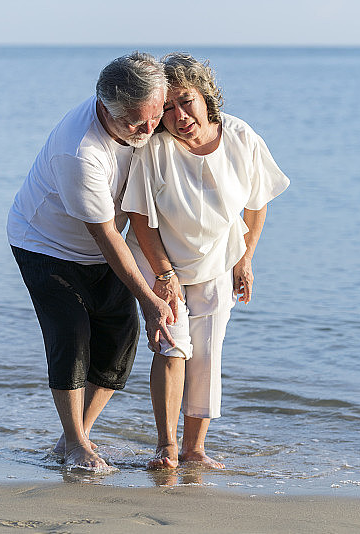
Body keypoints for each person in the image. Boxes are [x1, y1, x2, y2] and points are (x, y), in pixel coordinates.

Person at [7, 52, 177, 472]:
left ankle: (72, 437)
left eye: (154, 116)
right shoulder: (80, 152)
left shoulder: (142, 119)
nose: (148, 129)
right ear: (106, 108)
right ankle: (79, 445)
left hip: (102, 245)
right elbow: (103, 235)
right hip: (45, 244)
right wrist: (150, 299)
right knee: (72, 335)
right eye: (137, 123)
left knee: (120, 338)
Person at [122, 53, 290, 469]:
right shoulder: (154, 149)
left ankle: (195, 449)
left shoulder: (240, 137)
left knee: (207, 354)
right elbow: (142, 220)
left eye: (186, 102)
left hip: (219, 258)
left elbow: (256, 205)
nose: (179, 116)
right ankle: (166, 446)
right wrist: (164, 275)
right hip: (160, 259)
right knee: (172, 347)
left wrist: (246, 258)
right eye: (168, 107)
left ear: (206, 96)